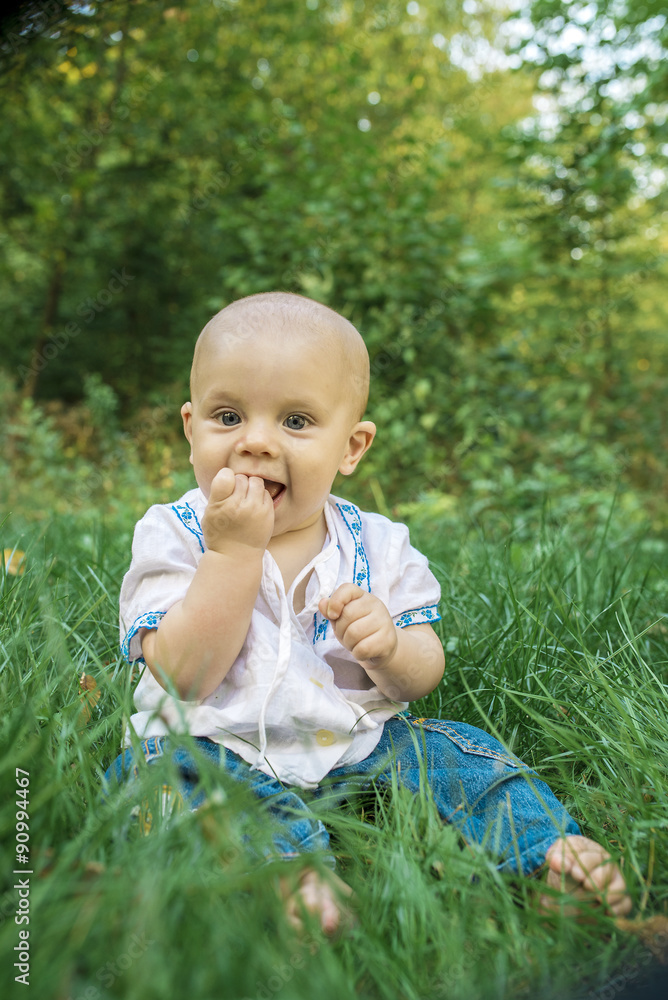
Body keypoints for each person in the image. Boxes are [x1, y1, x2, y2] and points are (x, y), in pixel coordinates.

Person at [106, 291, 631, 934]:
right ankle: (285, 879)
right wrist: (234, 553)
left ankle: (548, 854)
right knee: (166, 778)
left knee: (451, 756)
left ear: (351, 448)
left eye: (296, 422)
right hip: (211, 747)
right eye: (228, 415)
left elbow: (422, 676)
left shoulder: (380, 545)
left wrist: (389, 650)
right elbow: (186, 676)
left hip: (361, 747)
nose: (257, 443)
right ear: (191, 429)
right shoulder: (174, 535)